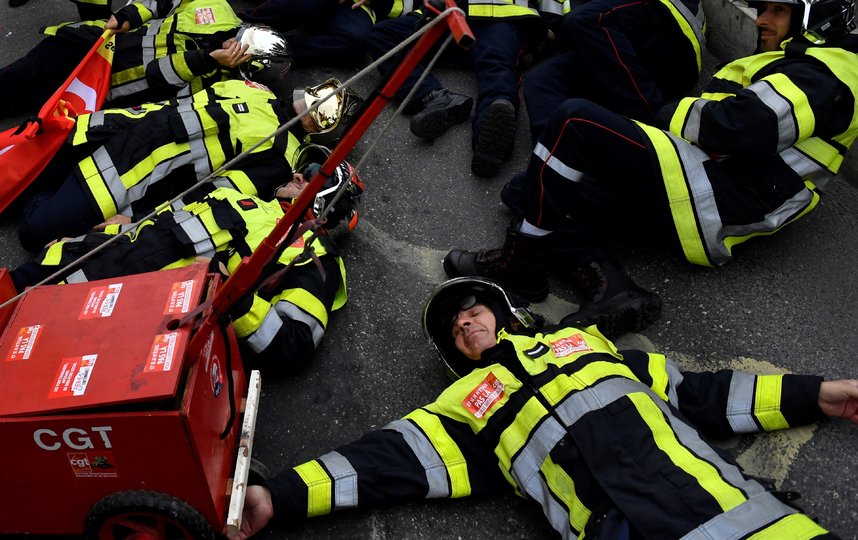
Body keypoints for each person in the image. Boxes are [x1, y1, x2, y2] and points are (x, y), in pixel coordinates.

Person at [229, 276, 858, 539]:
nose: (463, 322)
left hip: (738, 514)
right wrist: (276, 498)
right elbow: (383, 462)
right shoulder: (465, 405)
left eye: (471, 311)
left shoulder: (587, 343)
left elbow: (703, 396)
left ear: (501, 315)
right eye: (453, 327)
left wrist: (818, 393)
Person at [442, 0, 858, 339]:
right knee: (530, 187)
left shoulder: (831, 68)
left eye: (777, 11)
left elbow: (742, 127)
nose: (762, 21)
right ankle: (612, 287)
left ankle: (524, 263)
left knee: (575, 123)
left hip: (718, 196)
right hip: (701, 192)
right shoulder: (795, 63)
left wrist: (659, 114)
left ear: (819, 15)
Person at [10, 148, 364, 374]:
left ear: (330, 201)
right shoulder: (239, 198)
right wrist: (121, 225)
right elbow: (168, 223)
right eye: (303, 167)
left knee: (18, 372)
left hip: (118, 317)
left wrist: (228, 293)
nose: (298, 174)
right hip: (76, 261)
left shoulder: (315, 256)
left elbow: (294, 342)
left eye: (315, 172)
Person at [15, 76, 362, 253]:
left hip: (121, 181)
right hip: (116, 133)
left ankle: (47, 195)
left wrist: (136, 219)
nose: (314, 100)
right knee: (21, 165)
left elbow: (211, 195)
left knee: (33, 232)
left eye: (325, 110)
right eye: (324, 92)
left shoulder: (282, 159)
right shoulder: (256, 89)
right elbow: (172, 103)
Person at [366, 0, 569, 178]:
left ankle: (489, 142)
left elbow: (557, 6)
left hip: (502, 18)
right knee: (384, 35)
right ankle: (433, 97)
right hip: (449, 16)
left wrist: (547, 35)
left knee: (495, 65)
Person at [0, 0, 290, 118]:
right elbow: (163, 1)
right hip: (98, 41)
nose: (232, 48)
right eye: (240, 43)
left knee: (35, 102)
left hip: (104, 87)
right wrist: (129, 14)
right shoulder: (218, 7)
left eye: (241, 56)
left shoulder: (221, 85)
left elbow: (158, 77)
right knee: (21, 73)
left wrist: (209, 60)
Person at [521, 0, 706, 142]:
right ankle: (554, 167)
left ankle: (653, 122)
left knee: (587, 19)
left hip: (673, 32)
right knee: (540, 82)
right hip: (615, 42)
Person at [239, 0, 401, 68]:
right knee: (303, 5)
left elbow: (407, 8)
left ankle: (269, 54)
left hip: (361, 9)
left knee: (355, 42)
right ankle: (238, 29)